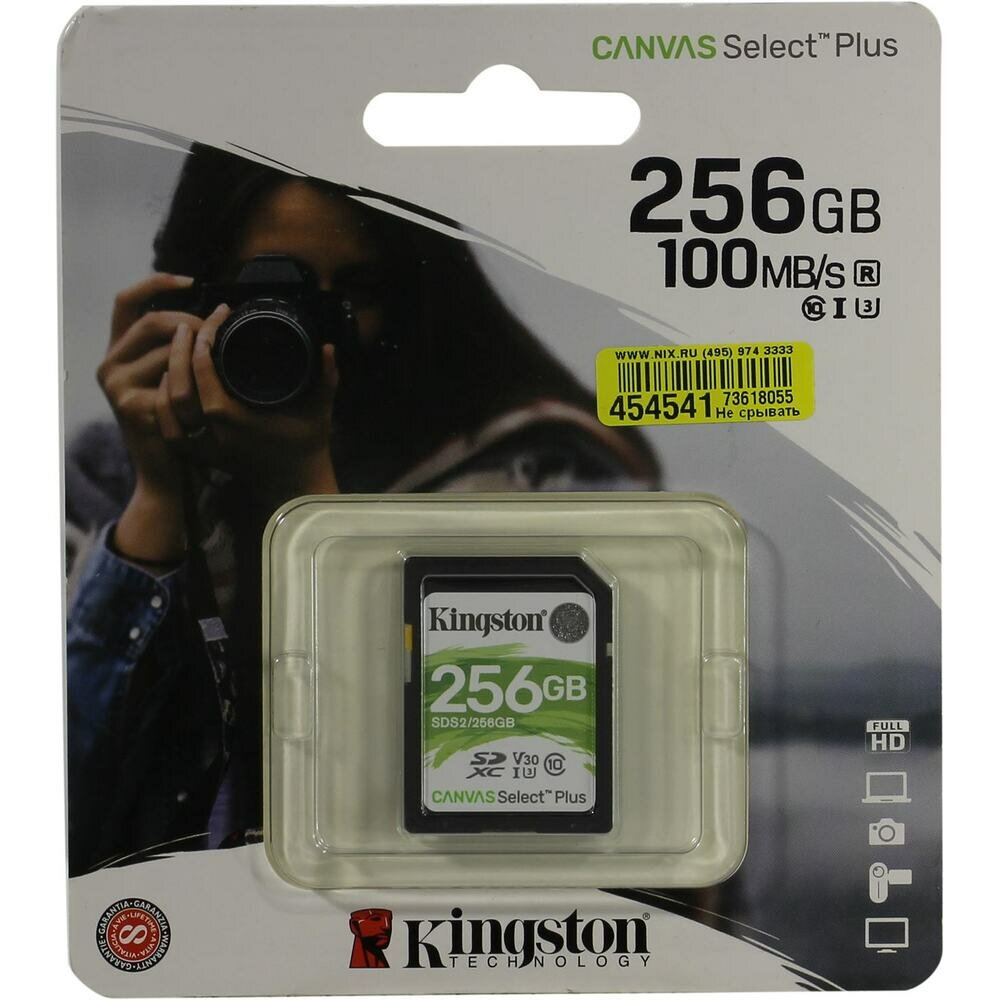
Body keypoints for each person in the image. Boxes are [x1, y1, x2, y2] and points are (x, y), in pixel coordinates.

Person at [66, 144, 659, 876]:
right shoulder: (110, 473)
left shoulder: (536, 478)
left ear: (417, 292)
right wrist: (157, 498)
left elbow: (507, 781)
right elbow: (57, 810)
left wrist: (309, 500)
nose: (312, 331)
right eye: (267, 292)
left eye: (356, 293)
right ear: (189, 299)